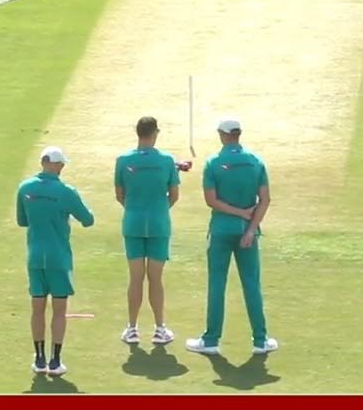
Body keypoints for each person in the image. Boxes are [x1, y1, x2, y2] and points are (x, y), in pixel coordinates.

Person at [185, 118, 279, 356]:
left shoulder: (213, 163)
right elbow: (265, 199)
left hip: (221, 230)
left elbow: (211, 201)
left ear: (222, 135)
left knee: (217, 284)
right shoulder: (255, 161)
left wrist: (237, 213)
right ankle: (260, 340)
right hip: (248, 232)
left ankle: (211, 340)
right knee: (251, 284)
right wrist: (250, 228)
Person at [16, 146, 94, 376]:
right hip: (58, 258)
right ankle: (55, 361)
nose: (61, 168)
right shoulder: (66, 191)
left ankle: (39, 359)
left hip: (35, 257)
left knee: (37, 309)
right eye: (61, 164)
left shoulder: (25, 188)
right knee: (59, 311)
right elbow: (88, 219)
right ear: (56, 164)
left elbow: (22, 221)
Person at [115, 116, 191, 346]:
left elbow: (120, 195)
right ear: (155, 133)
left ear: (137, 132)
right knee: (156, 278)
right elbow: (174, 195)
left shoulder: (123, 160)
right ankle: (159, 329)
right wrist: (159, 209)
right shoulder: (167, 161)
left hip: (133, 224)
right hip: (159, 225)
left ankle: (132, 328)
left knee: (135, 277)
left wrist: (135, 209)